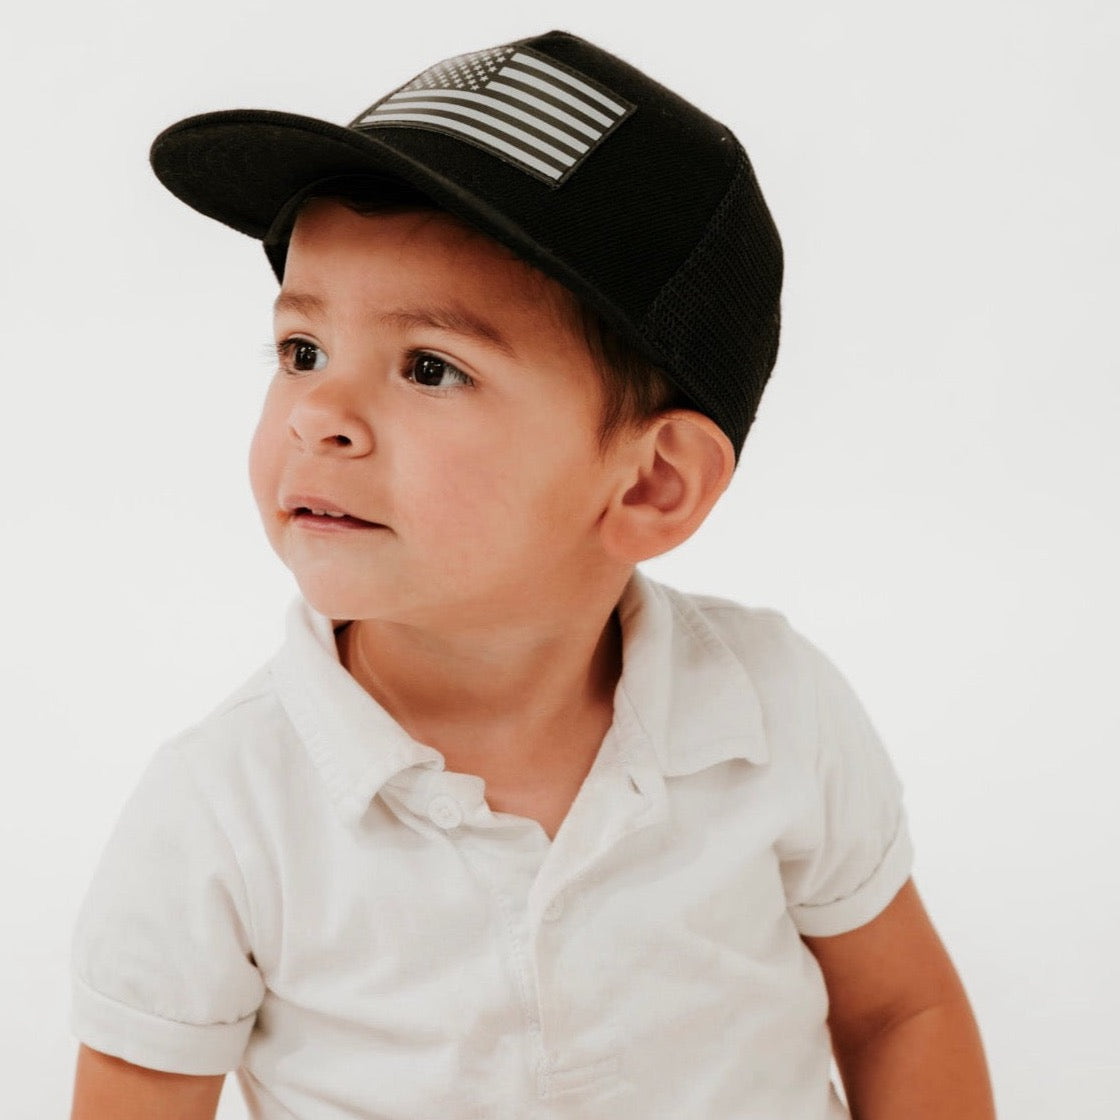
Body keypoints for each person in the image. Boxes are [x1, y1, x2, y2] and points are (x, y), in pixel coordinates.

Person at [68, 29, 994, 1120]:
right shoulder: (225, 808)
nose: (318, 414)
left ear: (652, 484)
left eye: (430, 367)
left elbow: (899, 1012)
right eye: (301, 350)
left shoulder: (772, 712)